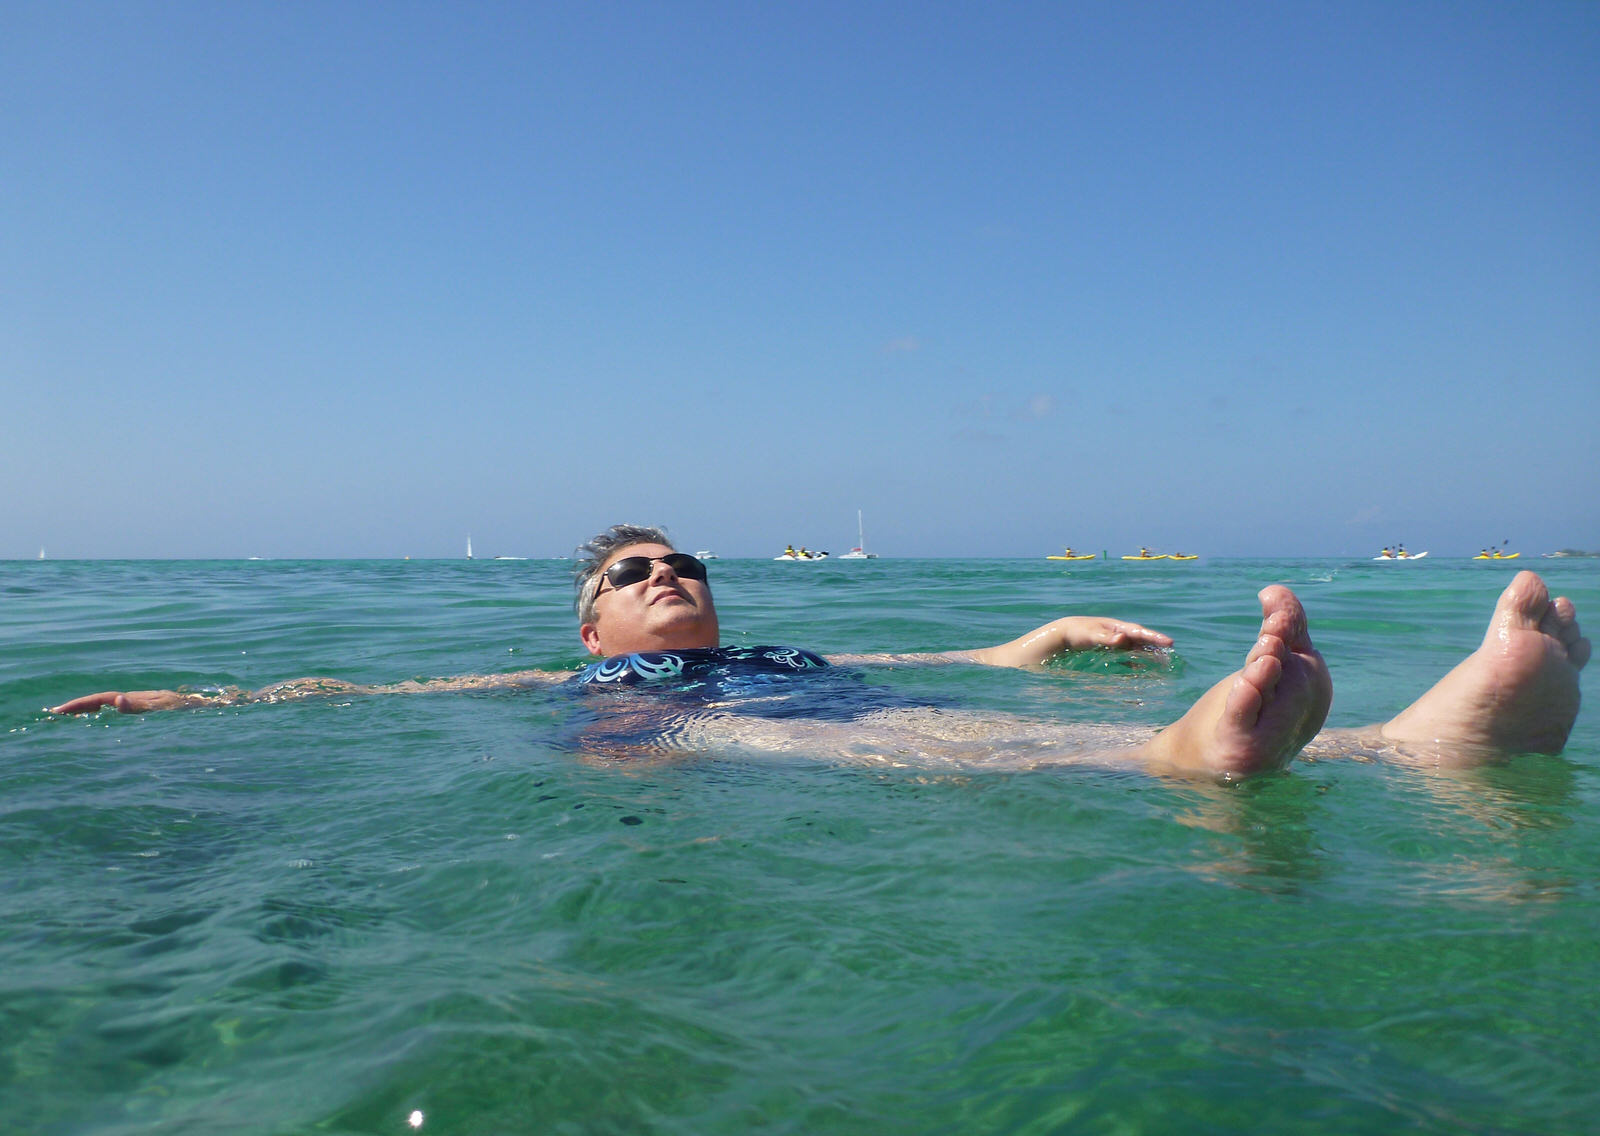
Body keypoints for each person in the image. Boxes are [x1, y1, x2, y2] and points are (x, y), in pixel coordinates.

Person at [51, 524, 1588, 779]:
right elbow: (381, 691)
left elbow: (955, 657)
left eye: (683, 565)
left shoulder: (782, 647)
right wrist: (202, 697)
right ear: (593, 623)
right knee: (864, 743)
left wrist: (1046, 631)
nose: (670, 578)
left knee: (911, 712)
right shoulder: (585, 679)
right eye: (637, 574)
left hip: (823, 708)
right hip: (682, 744)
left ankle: (1420, 743)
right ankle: (1182, 755)